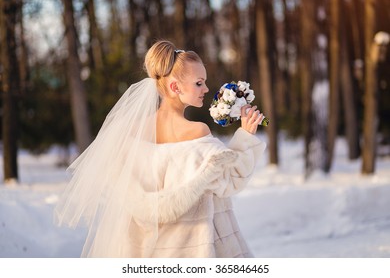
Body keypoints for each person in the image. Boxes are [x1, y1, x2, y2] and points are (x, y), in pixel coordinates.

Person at [54, 40, 266, 258]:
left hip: (144, 252)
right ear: (175, 87)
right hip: (193, 250)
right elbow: (231, 179)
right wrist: (246, 136)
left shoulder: (132, 135)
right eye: (199, 83)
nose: (206, 89)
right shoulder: (197, 133)